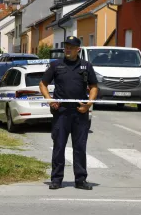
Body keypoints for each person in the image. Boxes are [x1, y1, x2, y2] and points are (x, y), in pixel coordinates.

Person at [39, 36, 98, 191]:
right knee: (59, 147)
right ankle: (56, 180)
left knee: (80, 147)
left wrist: (88, 104)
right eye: (66, 46)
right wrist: (50, 100)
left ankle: (80, 180)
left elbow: (93, 87)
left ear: (78, 49)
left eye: (71, 47)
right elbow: (43, 84)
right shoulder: (56, 65)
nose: (68, 49)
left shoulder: (86, 66)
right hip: (62, 112)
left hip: (80, 112)